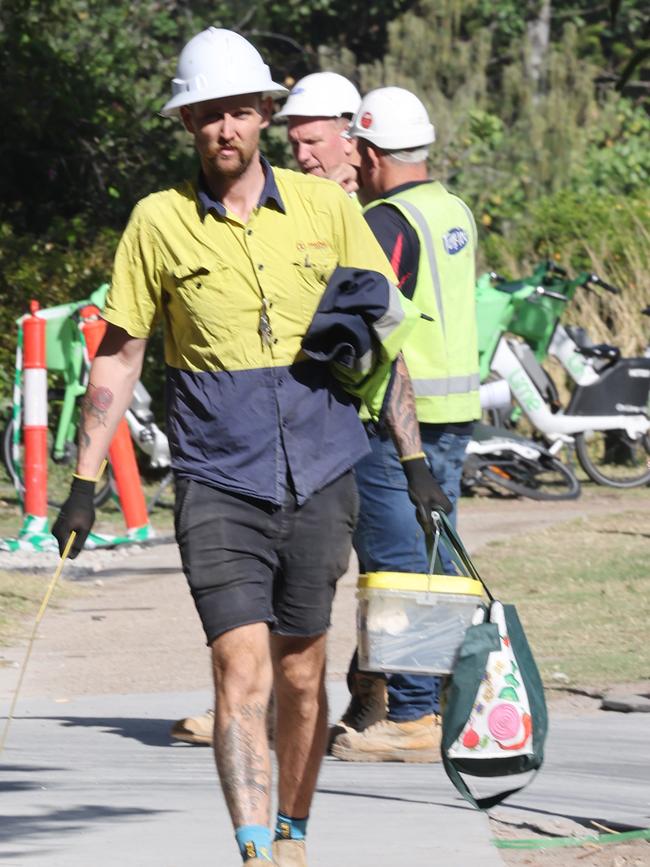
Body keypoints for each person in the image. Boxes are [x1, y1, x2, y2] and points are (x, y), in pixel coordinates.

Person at [51, 31, 450, 867]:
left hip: (324, 465)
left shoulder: (326, 209)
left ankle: (296, 834)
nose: (225, 127)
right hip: (216, 477)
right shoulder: (157, 222)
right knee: (240, 672)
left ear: (265, 113)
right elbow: (120, 355)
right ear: (188, 119)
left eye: (240, 110)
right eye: (208, 113)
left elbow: (386, 334)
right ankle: (255, 846)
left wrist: (413, 463)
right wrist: (82, 482)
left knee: (302, 676)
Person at [170, 71, 365, 749]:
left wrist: (412, 448)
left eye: (314, 139)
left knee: (335, 620)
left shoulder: (350, 212)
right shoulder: (168, 220)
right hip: (236, 461)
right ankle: (245, 708)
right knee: (245, 646)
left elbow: (387, 325)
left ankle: (392, 702)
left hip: (336, 444)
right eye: (298, 140)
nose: (305, 151)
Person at [329, 87, 482, 763]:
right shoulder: (453, 210)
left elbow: (377, 328)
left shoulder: (387, 223)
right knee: (432, 558)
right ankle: (432, 697)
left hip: (400, 425)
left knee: (400, 566)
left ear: (367, 152)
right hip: (456, 413)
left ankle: (416, 714)